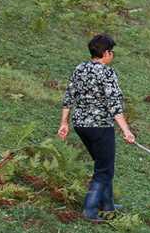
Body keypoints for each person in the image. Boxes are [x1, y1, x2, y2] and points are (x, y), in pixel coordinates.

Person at [57, 33, 136, 221]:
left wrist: (64, 123)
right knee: (104, 170)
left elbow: (69, 96)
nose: (113, 55)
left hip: (80, 125)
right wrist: (126, 130)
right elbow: (114, 105)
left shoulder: (80, 68)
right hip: (100, 126)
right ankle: (90, 210)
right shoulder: (107, 73)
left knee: (102, 163)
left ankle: (107, 205)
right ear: (106, 53)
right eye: (112, 51)